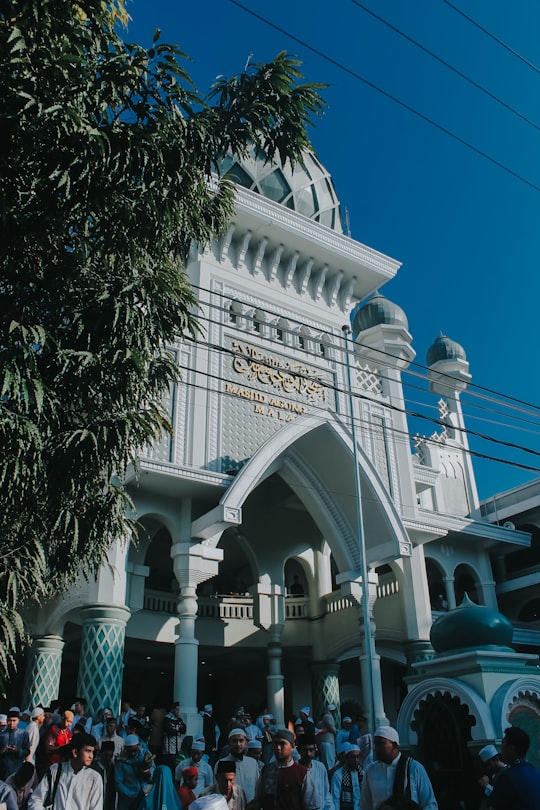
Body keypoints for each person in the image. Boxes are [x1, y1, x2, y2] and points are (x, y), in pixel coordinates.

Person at [360, 726, 437, 810]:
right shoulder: (370, 771)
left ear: (395, 745)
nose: (376, 748)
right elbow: (365, 805)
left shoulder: (414, 768)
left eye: (381, 743)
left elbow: (429, 804)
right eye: (375, 743)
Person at [28, 733, 103, 810]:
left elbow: (96, 807)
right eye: (88, 751)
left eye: (92, 752)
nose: (91, 756)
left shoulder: (94, 778)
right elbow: (36, 799)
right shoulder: (56, 770)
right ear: (75, 752)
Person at [257, 728, 319, 810]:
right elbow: (259, 800)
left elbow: (312, 806)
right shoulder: (266, 771)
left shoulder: (302, 773)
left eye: (282, 744)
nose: (278, 748)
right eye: (276, 744)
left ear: (292, 746)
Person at [488, 726, 540, 810]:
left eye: (503, 743)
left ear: (512, 748)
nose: (501, 747)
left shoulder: (508, 777)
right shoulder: (534, 771)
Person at [215, 729, 259, 803]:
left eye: (241, 741)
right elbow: (217, 790)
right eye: (234, 741)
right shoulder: (222, 763)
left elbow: (257, 787)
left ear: (246, 743)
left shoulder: (253, 763)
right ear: (229, 743)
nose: (238, 744)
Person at [115, 734, 155, 810]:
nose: (132, 754)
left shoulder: (146, 756)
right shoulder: (121, 760)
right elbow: (118, 782)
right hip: (127, 797)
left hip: (143, 794)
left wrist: (148, 773)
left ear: (138, 746)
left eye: (134, 750)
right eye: (129, 751)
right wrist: (129, 793)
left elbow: (153, 774)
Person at [297, 734, 331, 810]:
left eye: (311, 750)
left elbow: (326, 794)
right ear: (299, 750)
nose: (308, 754)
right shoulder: (294, 769)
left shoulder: (320, 767)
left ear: (315, 749)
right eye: (305, 750)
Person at [330, 743, 361, 810]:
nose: (356, 760)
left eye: (358, 757)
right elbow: (335, 799)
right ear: (347, 758)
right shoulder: (338, 775)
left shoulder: (363, 774)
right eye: (353, 757)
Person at [0, 712, 30, 777]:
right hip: (3, 768)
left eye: (14, 721)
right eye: (10, 721)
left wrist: (18, 751)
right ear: (7, 721)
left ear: (18, 721)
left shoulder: (23, 733)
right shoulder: (2, 734)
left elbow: (27, 751)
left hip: (17, 768)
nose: (12, 723)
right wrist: (3, 750)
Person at [477, 744, 506, 809]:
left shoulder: (506, 772)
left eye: (489, 764)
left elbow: (501, 796)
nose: (488, 768)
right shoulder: (494, 773)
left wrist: (486, 785)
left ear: (496, 759)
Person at [92, 739, 117, 810]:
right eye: (106, 755)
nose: (108, 758)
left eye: (111, 756)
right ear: (100, 753)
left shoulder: (112, 767)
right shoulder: (94, 767)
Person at [163, 703, 187, 771]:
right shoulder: (167, 719)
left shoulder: (179, 719)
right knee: (169, 766)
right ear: (172, 710)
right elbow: (169, 731)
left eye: (178, 710)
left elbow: (184, 730)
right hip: (169, 747)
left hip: (178, 747)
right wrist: (178, 729)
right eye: (176, 710)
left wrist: (176, 729)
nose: (178, 711)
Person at [316, 706, 337, 771]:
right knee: (328, 760)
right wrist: (336, 732)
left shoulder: (328, 717)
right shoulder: (327, 716)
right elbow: (331, 727)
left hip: (329, 741)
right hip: (327, 741)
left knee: (330, 759)